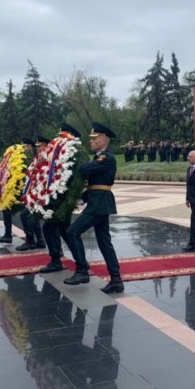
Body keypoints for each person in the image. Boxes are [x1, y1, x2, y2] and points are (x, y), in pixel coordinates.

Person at [64, 122, 124, 294]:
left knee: (72, 232)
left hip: (99, 204)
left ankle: (82, 270)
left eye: (94, 138)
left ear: (104, 139)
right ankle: (116, 280)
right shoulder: (100, 157)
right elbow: (96, 184)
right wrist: (82, 198)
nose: (91, 141)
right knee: (104, 242)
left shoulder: (107, 158)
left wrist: (70, 162)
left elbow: (84, 169)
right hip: (98, 201)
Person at [38, 126, 81, 275]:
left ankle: (59, 261)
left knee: (51, 228)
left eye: (62, 136)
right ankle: (79, 261)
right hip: (58, 197)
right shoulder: (64, 153)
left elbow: (73, 178)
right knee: (64, 230)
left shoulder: (72, 154)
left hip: (64, 198)